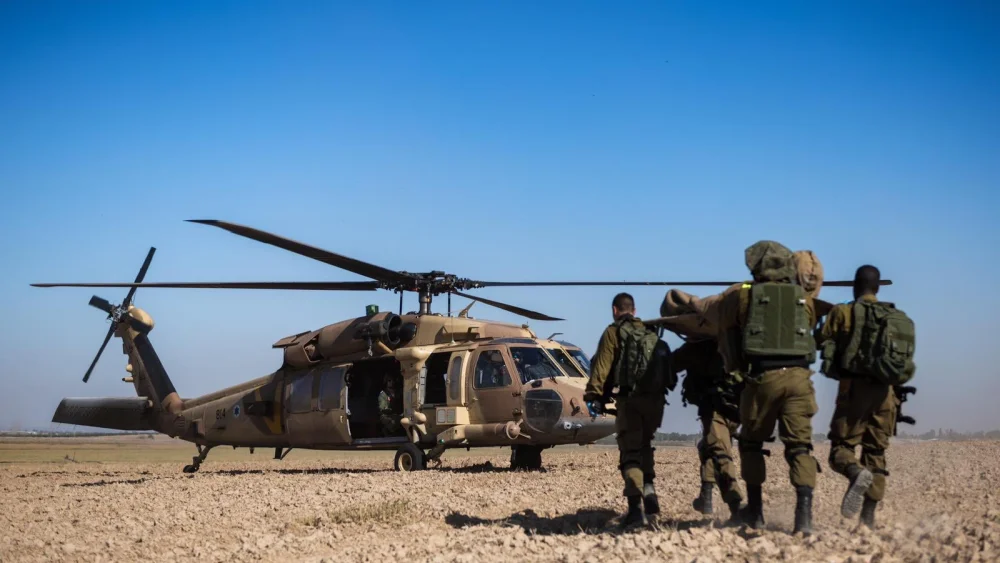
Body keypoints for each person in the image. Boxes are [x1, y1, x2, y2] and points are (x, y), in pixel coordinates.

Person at [716, 240, 819, 535]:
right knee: (800, 446)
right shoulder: (803, 297)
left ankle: (756, 512)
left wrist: (736, 373)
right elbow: (809, 325)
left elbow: (729, 338)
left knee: (751, 443)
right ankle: (804, 516)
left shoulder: (744, 296)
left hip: (762, 378)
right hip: (799, 379)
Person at [815, 264, 914, 528]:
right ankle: (867, 521)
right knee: (876, 453)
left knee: (841, 449)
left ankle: (856, 473)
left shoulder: (844, 312)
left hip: (854, 390)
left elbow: (820, 338)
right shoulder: (894, 315)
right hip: (887, 394)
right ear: (878, 287)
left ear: (855, 286)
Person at [584, 292, 671, 529]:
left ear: (615, 310)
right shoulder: (648, 332)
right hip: (656, 401)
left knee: (630, 451)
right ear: (633, 310)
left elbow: (601, 368)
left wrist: (593, 396)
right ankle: (650, 488)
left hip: (630, 400)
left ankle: (635, 511)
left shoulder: (613, 332)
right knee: (645, 444)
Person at [673, 337, 744, 522]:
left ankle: (735, 505)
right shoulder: (738, 339)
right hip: (736, 407)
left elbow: (671, 364)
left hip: (715, 408)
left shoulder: (698, 344)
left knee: (719, 453)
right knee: (710, 447)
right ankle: (706, 496)